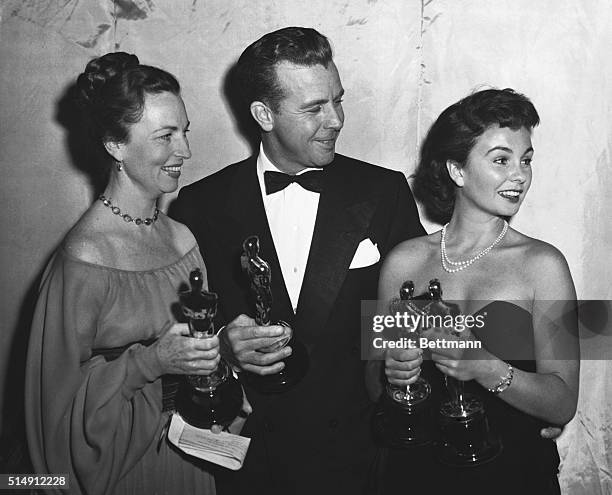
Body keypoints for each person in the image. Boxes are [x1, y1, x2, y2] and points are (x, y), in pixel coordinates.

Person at [171, 27, 425, 495]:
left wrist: (513, 392)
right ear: (263, 114)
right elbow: (168, 337)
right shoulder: (199, 205)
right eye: (314, 108)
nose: (336, 120)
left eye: (338, 100)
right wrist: (224, 347)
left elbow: (423, 316)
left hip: (358, 460)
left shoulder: (383, 193)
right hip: (250, 466)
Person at [25, 52, 255, 495]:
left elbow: (193, 356)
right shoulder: (83, 259)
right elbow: (52, 416)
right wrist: (151, 363)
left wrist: (223, 353)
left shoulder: (183, 239)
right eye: (165, 136)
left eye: (183, 132)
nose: (184, 151)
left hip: (189, 460)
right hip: (123, 472)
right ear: (116, 144)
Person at [369, 88, 579, 494]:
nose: (519, 174)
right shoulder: (403, 262)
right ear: (457, 171)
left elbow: (563, 402)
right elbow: (372, 381)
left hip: (514, 474)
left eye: (526, 160)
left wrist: (487, 367)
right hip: (414, 475)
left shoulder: (545, 265)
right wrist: (392, 375)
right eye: (501, 160)